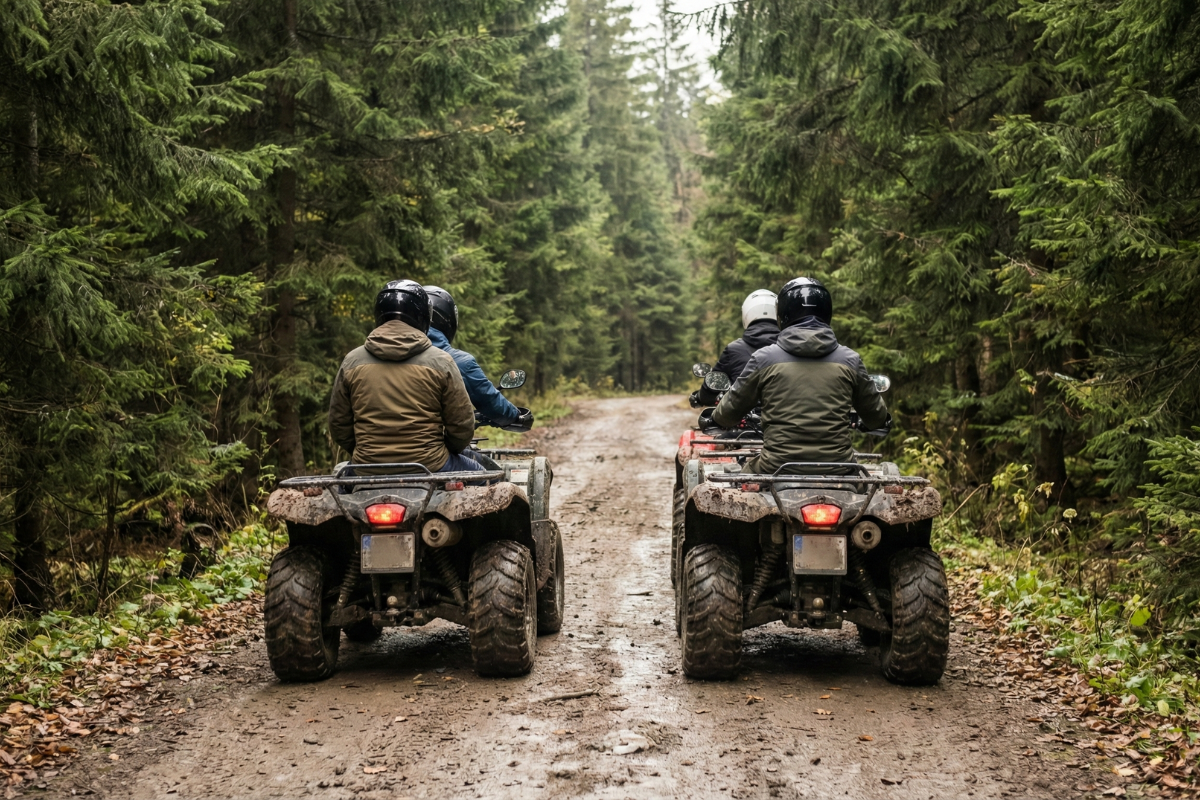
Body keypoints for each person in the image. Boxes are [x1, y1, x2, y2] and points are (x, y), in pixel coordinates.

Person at [712, 277, 889, 474]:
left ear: (783, 315)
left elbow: (728, 413)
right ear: (826, 312)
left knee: (740, 484)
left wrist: (716, 418)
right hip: (840, 468)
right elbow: (877, 418)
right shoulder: (850, 360)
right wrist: (873, 420)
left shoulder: (763, 359)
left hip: (775, 467)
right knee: (869, 494)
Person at [328, 280, 483, 473]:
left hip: (366, 467)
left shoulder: (352, 361)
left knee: (338, 492)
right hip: (431, 465)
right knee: (488, 479)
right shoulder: (442, 361)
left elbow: (338, 424)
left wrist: (365, 454)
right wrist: (443, 451)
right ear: (424, 317)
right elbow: (462, 425)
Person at [423, 285, 527, 428]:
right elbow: (489, 401)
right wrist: (515, 415)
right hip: (432, 447)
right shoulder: (457, 361)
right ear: (446, 319)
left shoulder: (383, 355)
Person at [693, 289, 780, 407]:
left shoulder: (734, 350)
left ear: (746, 315)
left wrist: (699, 397)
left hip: (741, 418)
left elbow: (712, 386)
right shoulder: (791, 347)